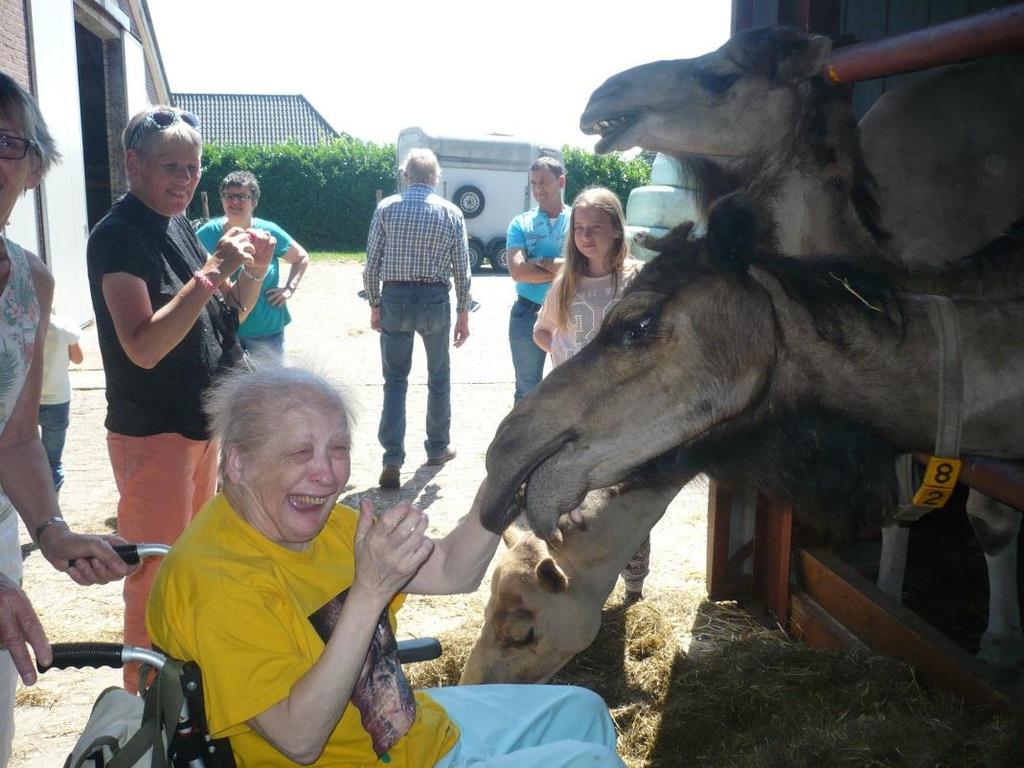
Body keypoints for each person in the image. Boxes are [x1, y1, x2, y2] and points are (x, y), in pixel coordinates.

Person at [147, 366, 624, 768]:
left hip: (409, 732)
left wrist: (510, 485)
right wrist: (370, 590)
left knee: (584, 712)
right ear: (236, 463)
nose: (327, 474)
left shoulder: (327, 523)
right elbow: (299, 740)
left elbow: (453, 571)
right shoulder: (217, 580)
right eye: (299, 453)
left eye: (338, 450)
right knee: (590, 762)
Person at [86, 105, 273, 689]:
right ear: (132, 163)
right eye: (171, 166)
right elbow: (143, 346)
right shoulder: (117, 237)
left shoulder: (179, 225)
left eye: (193, 168)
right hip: (153, 432)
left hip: (199, 426)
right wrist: (212, 271)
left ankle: (182, 685)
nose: (185, 180)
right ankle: (143, 699)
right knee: (154, 572)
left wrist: (253, 275)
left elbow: (224, 319)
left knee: (191, 566)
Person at [0, 71, 129, 765]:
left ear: (32, 163)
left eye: (5, 141)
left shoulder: (29, 281)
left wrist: (49, 531)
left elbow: (15, 436)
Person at [532, 187, 650, 599]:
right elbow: (542, 330)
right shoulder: (568, 280)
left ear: (617, 230)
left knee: (625, 496)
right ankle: (580, 580)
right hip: (574, 410)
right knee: (575, 492)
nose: (585, 236)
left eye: (595, 228)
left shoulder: (635, 280)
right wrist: (561, 354)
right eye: (579, 228)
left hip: (623, 410)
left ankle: (634, 586)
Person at [363, 148, 471, 490]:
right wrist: (464, 312)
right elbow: (462, 270)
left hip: (394, 297)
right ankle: (438, 448)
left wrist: (375, 304)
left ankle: (392, 457)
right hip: (434, 300)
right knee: (439, 376)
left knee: (395, 380)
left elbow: (371, 266)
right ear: (435, 177)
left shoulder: (386, 208)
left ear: (406, 175)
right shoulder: (451, 213)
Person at [196, 170, 309, 364]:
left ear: (254, 201)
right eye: (229, 196)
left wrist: (289, 288)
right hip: (223, 331)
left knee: (271, 390)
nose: (235, 202)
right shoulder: (206, 234)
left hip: (266, 331)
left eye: (242, 197)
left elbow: (301, 257)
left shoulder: (268, 232)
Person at [506, 156, 570, 403]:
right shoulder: (521, 224)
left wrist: (541, 260)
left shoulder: (579, 221)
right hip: (527, 313)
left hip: (570, 314)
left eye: (543, 182)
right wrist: (565, 268)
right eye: (533, 183)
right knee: (527, 390)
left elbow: (586, 268)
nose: (537, 189)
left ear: (561, 181)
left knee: (571, 385)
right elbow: (518, 271)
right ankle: (521, 442)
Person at [38, 307, 84, 494]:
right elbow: (78, 359)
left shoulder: (22, 325)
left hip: (27, 399)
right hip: (58, 399)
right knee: (53, 459)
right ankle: (51, 501)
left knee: (23, 451)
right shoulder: (65, 326)